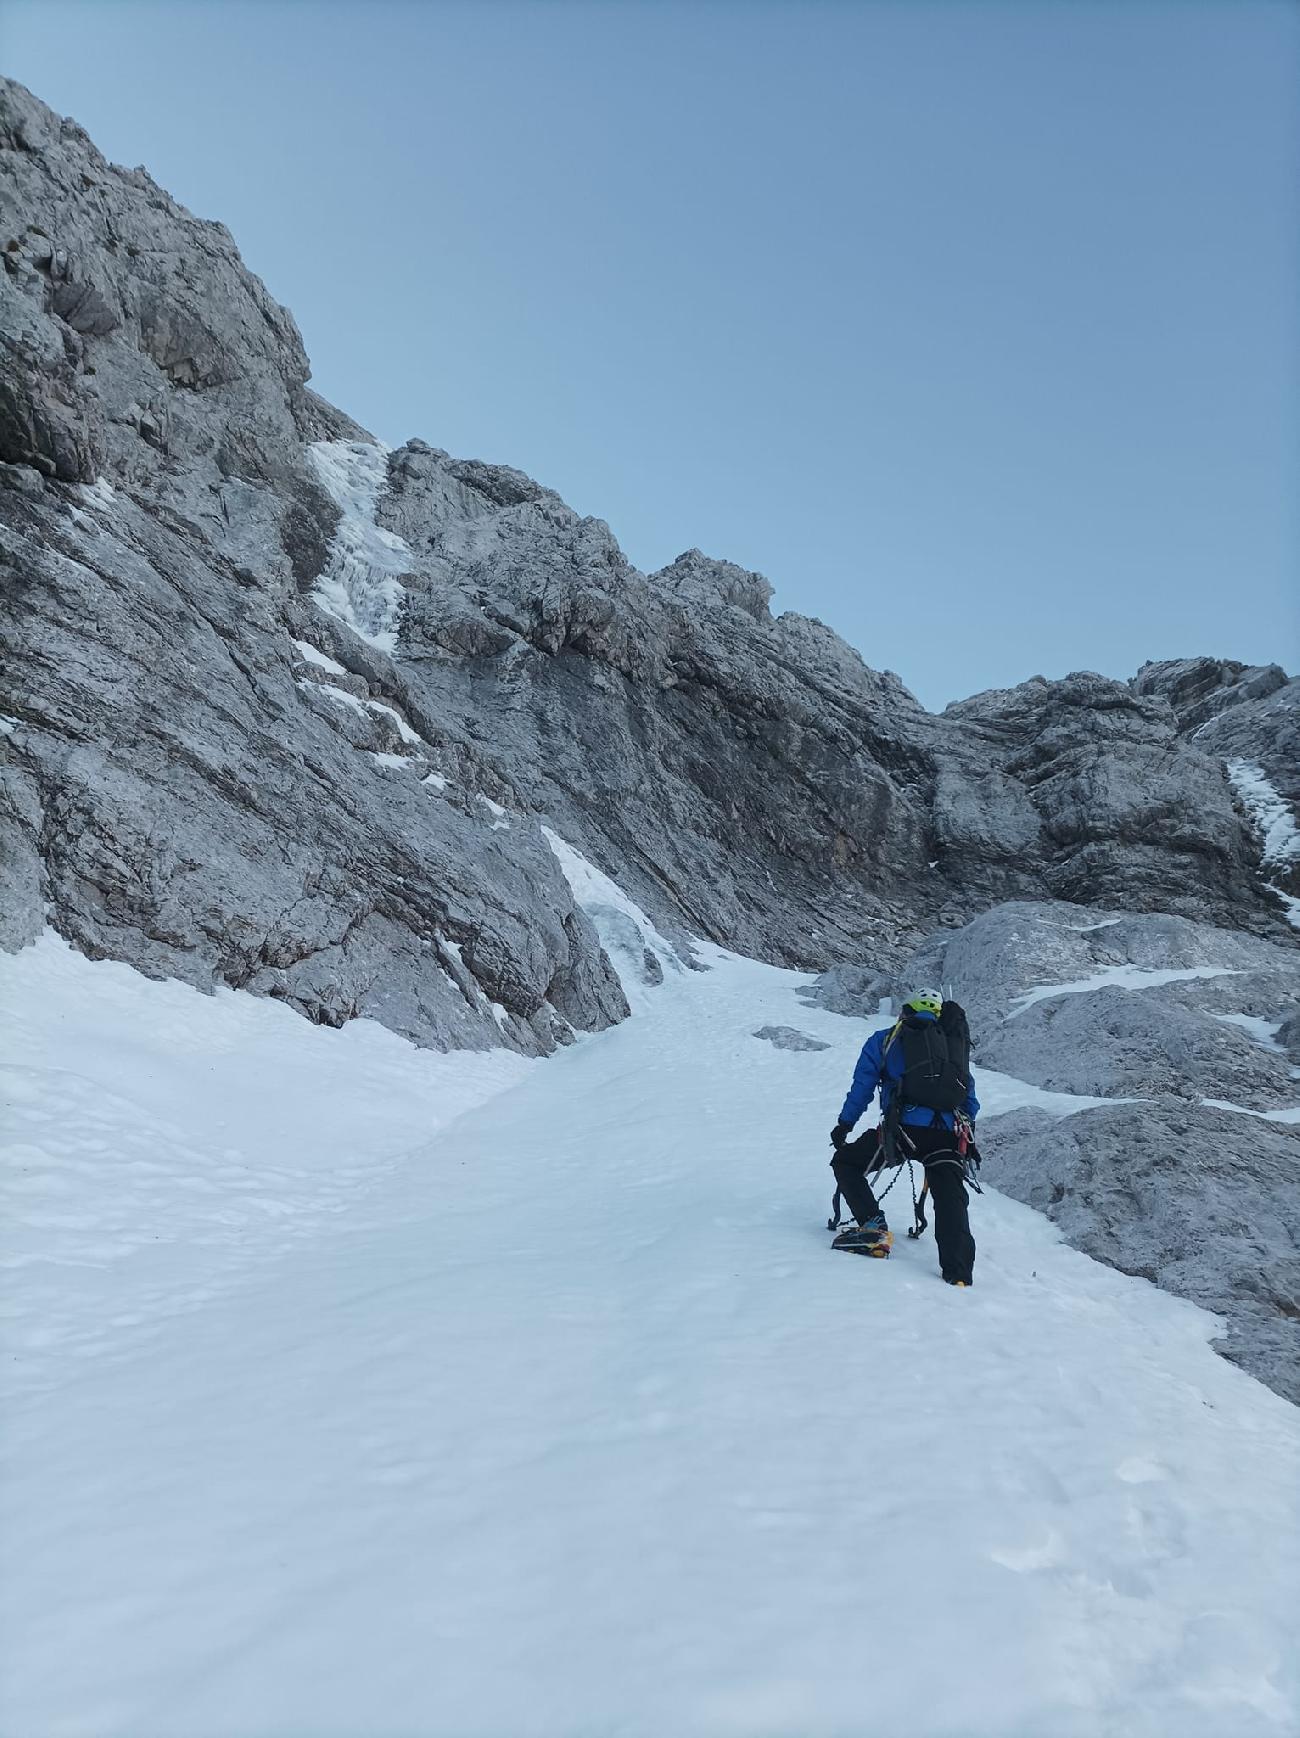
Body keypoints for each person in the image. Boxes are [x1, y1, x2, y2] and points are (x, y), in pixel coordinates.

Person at [829, 988, 979, 1286]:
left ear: (905, 1011)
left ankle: (873, 1229)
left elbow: (863, 1088)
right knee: (949, 1197)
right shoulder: (952, 1045)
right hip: (948, 1136)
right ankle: (958, 1273)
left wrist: (844, 1125)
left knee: (846, 1162)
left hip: (901, 1132)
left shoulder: (885, 1039)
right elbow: (969, 1098)